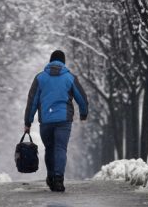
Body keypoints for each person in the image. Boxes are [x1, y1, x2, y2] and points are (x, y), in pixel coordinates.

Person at [24, 50, 88, 192]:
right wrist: (84, 113)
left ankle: (51, 176)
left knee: (50, 149)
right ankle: (58, 178)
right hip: (63, 120)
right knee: (60, 148)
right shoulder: (70, 78)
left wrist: (28, 122)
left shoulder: (40, 78)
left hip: (46, 120)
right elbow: (81, 97)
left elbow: (32, 101)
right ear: (63, 62)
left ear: (50, 61)